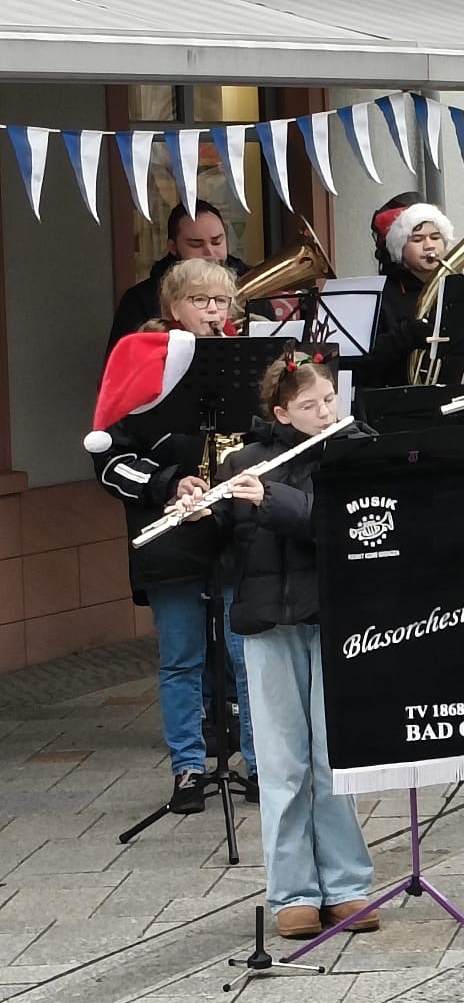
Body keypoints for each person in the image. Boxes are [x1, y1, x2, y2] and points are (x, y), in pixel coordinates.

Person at [212, 351, 377, 940]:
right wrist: (196, 512)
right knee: (282, 764)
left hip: (333, 618)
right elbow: (222, 544)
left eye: (330, 399)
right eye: (310, 406)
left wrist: (269, 499)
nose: (326, 412)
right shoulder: (243, 461)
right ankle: (292, 893)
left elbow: (341, 527)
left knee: (333, 758)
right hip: (266, 623)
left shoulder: (353, 450)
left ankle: (348, 884)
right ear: (282, 412)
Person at [88, 259, 259, 813]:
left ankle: (259, 764)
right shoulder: (141, 362)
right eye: (201, 301)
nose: (213, 311)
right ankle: (188, 769)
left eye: (221, 301)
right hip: (170, 533)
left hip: (233, 529)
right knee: (182, 657)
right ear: (173, 307)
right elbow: (109, 460)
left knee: (245, 654)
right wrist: (169, 483)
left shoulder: (244, 364)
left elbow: (268, 438)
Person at [107, 200, 251, 350]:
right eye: (196, 244)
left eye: (217, 242)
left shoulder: (246, 286)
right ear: (173, 247)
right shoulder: (139, 300)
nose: (209, 252)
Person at [364, 193, 457, 384]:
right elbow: (365, 362)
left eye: (435, 237)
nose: (429, 246)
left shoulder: (457, 288)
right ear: (400, 248)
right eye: (417, 239)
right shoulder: (381, 294)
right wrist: (407, 334)